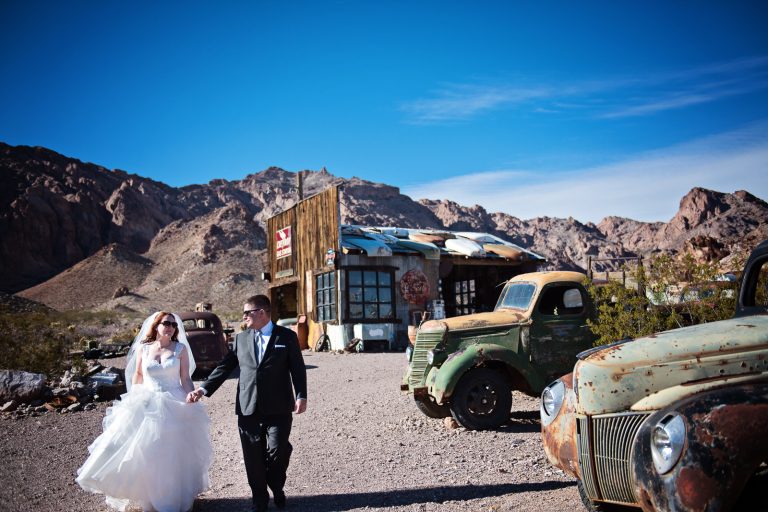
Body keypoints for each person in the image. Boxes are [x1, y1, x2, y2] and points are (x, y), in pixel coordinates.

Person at [77, 312, 213, 512]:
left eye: (173, 325)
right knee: (144, 451)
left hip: (174, 402)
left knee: (171, 453)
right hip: (147, 401)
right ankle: (149, 497)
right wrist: (133, 399)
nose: (170, 327)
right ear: (156, 325)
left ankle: (170, 499)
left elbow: (185, 378)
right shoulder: (144, 348)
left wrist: (191, 395)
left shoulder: (180, 349)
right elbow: (138, 375)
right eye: (166, 323)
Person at [187, 294, 307, 512]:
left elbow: (297, 368)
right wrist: (203, 389)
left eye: (247, 313)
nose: (243, 317)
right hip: (248, 406)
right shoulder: (241, 339)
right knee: (253, 457)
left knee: (278, 451)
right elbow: (225, 367)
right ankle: (259, 500)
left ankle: (276, 486)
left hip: (279, 406)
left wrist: (301, 395)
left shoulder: (287, 337)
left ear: (261, 313)